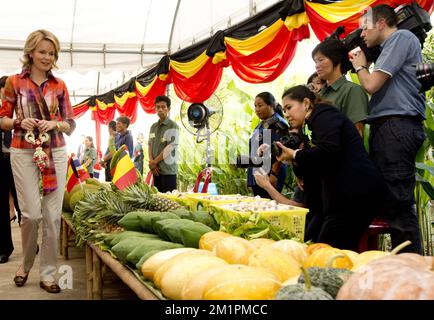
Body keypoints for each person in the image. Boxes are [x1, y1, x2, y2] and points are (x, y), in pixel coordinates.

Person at [255, 85, 387, 250]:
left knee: (327, 252)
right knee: (318, 246)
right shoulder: (310, 126)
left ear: (306, 103)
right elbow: (310, 160)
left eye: (289, 107)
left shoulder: (324, 114)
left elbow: (329, 150)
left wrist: (295, 155)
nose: (286, 114)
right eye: (285, 109)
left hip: (356, 194)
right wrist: (277, 152)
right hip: (338, 200)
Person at [0, 29, 76, 293]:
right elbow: (2, 120)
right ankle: (26, 263)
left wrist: (55, 124)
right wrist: (20, 121)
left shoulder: (60, 85)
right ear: (30, 52)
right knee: (31, 215)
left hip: (55, 151)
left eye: (52, 53)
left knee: (53, 218)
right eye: (42, 51)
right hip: (23, 150)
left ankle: (48, 274)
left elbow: (70, 124)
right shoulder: (13, 82)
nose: (47, 57)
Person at [349, 4, 426, 254]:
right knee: (392, 202)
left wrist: (361, 65)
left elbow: (371, 85)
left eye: (365, 27)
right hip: (389, 128)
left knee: (399, 204)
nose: (362, 34)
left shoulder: (401, 37)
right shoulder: (388, 48)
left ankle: (411, 271)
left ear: (381, 22)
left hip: (397, 125)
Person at [312, 38, 368, 137]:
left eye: (321, 60)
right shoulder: (319, 95)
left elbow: (357, 134)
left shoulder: (352, 90)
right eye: (315, 61)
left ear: (336, 59)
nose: (317, 66)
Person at [247, 92, 288, 199]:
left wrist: (273, 175)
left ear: (271, 105)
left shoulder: (278, 123)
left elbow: (280, 151)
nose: (257, 109)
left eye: (260, 105)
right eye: (255, 106)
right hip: (258, 176)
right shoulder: (262, 124)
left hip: (269, 177)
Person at [148, 95, 179, 193]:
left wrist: (154, 162)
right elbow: (149, 145)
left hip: (168, 170)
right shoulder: (153, 127)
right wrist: (151, 163)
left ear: (168, 109)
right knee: (158, 198)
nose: (160, 109)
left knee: (169, 200)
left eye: (163, 107)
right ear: (155, 109)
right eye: (158, 107)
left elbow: (170, 147)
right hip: (155, 170)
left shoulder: (172, 126)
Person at [0, 75, 14, 264]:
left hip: (19, 157)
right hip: (1, 159)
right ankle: (4, 248)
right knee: (2, 204)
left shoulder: (18, 107)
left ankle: (30, 242)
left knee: (23, 203)